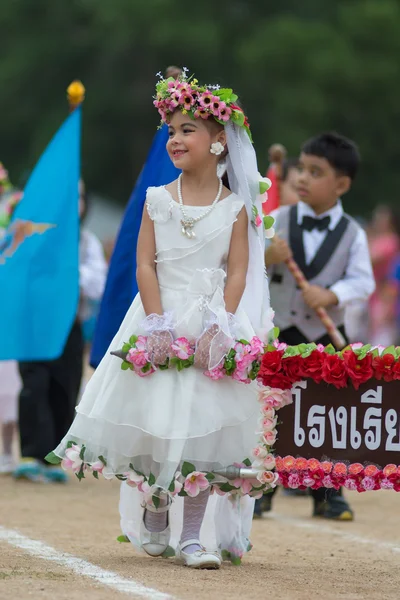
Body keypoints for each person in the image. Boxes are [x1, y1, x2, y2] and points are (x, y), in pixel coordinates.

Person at [50, 70, 273, 569]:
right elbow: (144, 264)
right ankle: (155, 506)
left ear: (219, 141)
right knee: (155, 419)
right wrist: (156, 323)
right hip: (159, 315)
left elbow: (237, 269)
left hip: (210, 319)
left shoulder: (235, 207)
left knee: (204, 426)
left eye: (187, 130)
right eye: (171, 131)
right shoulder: (156, 199)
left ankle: (194, 536)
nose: (175, 139)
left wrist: (222, 323)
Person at [264, 132, 375, 520]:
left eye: (316, 172)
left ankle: (328, 494)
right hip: (281, 334)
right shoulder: (277, 221)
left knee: (325, 417)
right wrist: (267, 253)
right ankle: (264, 487)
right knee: (275, 414)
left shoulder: (353, 233)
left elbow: (363, 281)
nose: (303, 178)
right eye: (302, 169)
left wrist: (331, 294)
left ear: (341, 185)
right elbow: (244, 264)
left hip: (326, 339)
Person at [14, 181, 107, 483]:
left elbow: (96, 283)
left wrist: (69, 273)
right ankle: (31, 453)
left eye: (80, 196)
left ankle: (54, 455)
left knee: (65, 385)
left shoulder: (86, 241)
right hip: (34, 325)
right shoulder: (32, 235)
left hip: (69, 327)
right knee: (34, 384)